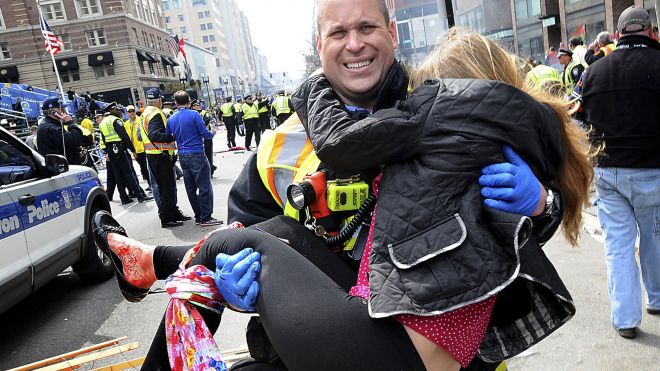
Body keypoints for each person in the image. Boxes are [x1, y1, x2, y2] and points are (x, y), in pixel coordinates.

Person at [93, 4, 576, 370]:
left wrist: (541, 204)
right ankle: (151, 264)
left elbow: (511, 238)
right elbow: (251, 228)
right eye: (338, 32)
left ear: (391, 34)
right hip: (329, 332)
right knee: (261, 239)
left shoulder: (436, 105)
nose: (355, 44)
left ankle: (150, 263)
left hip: (431, 343)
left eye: (366, 27)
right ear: (318, 44)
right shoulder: (280, 143)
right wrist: (230, 284)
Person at [581, 5, 660, 339]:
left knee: (618, 247)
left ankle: (626, 319)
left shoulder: (594, 72)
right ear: (652, 32)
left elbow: (580, 118)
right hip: (652, 172)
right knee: (655, 238)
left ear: (618, 35)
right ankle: (656, 299)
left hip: (609, 173)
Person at [167, 91, 223, 227]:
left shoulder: (171, 118)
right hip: (196, 153)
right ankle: (206, 217)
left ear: (175, 103)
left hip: (182, 155)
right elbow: (206, 134)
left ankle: (198, 215)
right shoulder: (194, 115)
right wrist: (213, 131)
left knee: (190, 188)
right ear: (190, 101)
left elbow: (168, 136)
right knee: (204, 186)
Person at [139, 88, 187, 228]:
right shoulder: (155, 113)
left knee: (167, 187)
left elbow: (140, 135)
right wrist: (172, 137)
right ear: (159, 100)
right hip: (160, 155)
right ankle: (167, 218)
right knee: (166, 189)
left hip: (154, 155)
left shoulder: (145, 113)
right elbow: (154, 135)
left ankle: (174, 213)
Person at [98, 102, 153, 205]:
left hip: (111, 151)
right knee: (130, 173)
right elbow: (124, 137)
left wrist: (107, 152)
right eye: (115, 109)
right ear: (111, 110)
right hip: (120, 150)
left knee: (118, 175)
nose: (118, 111)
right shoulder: (115, 120)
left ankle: (124, 198)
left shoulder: (102, 123)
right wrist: (133, 150)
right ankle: (140, 196)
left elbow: (104, 140)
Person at [36, 97, 87, 165]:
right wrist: (70, 123)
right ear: (52, 112)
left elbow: (66, 145)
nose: (64, 111)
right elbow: (76, 140)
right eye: (61, 109)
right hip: (62, 168)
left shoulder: (52, 125)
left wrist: (76, 151)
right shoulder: (51, 128)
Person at [124, 105, 151, 190]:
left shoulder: (140, 120)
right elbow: (128, 137)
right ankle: (150, 183)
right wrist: (132, 150)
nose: (132, 112)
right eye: (130, 111)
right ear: (127, 113)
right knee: (143, 168)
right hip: (135, 149)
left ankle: (151, 184)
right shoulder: (126, 124)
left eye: (133, 111)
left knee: (147, 167)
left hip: (144, 148)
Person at [191, 99, 218, 176]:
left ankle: (210, 171)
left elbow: (210, 121)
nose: (199, 106)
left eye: (199, 105)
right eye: (197, 105)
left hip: (206, 137)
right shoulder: (192, 114)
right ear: (193, 107)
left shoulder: (204, 113)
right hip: (197, 138)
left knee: (208, 154)